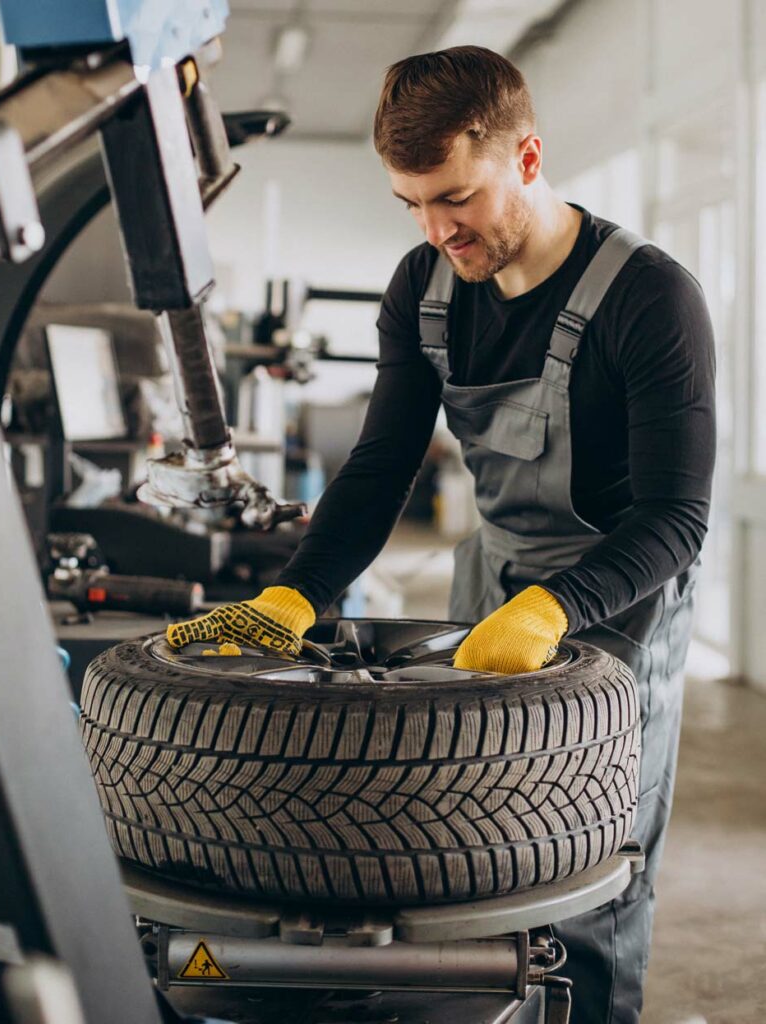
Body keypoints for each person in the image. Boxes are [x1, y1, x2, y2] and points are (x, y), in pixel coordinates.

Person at [166, 46, 716, 1023]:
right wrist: (300, 591)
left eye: (455, 197)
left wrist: (558, 606)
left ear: (528, 158)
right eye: (410, 204)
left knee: (586, 878)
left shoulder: (648, 297)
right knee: (476, 869)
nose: (436, 230)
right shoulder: (422, 288)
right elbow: (380, 468)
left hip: (618, 604)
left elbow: (676, 514)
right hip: (493, 582)